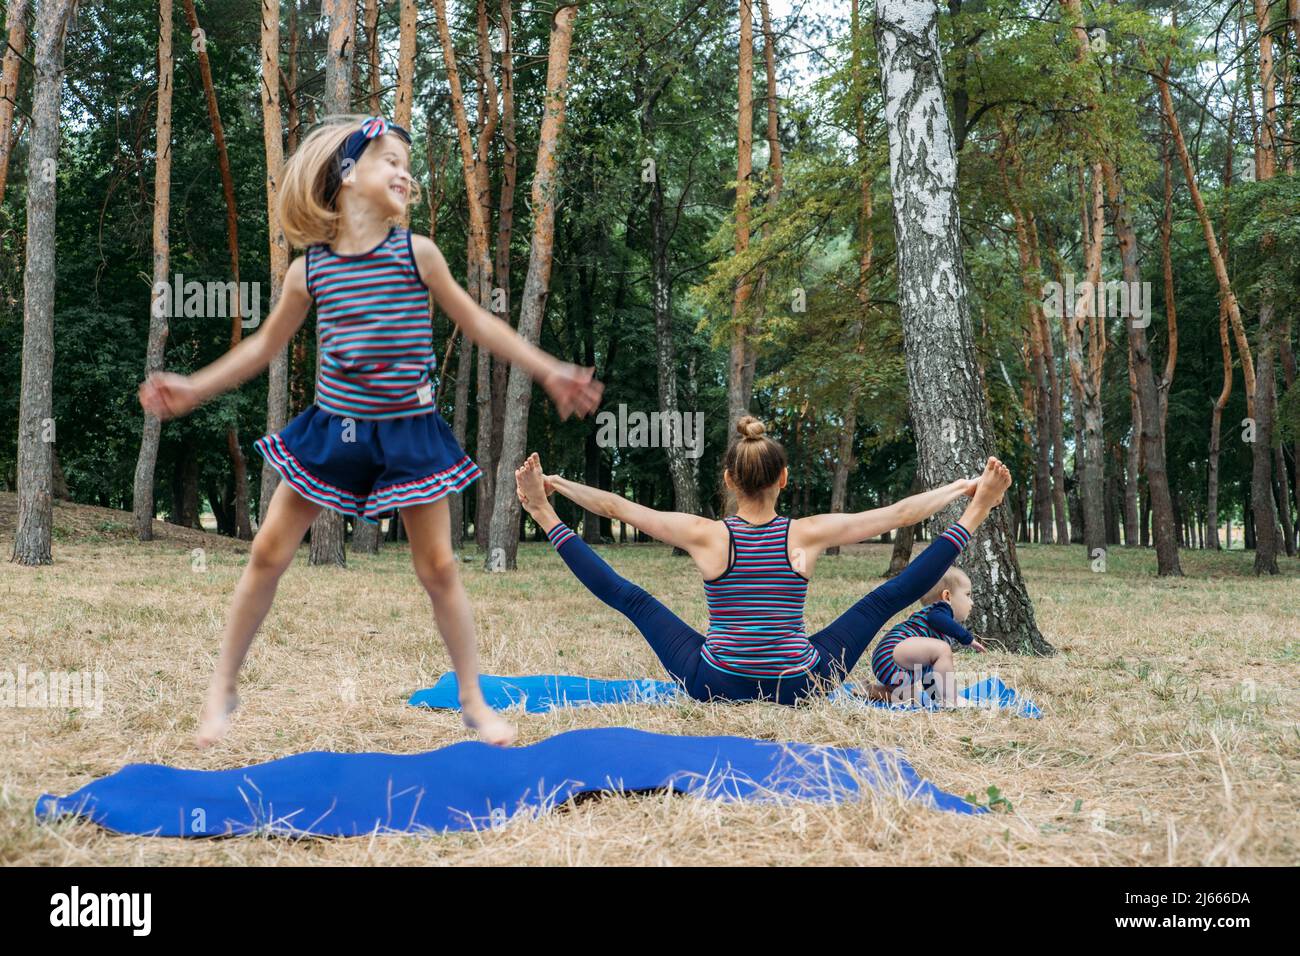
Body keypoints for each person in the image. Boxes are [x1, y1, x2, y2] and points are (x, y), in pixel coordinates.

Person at [138, 115, 603, 747]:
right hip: (333, 431)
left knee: (438, 566)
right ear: (347, 176)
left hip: (409, 435)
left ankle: (473, 698)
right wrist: (194, 386)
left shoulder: (418, 254)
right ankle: (223, 686)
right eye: (389, 159)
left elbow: (480, 324)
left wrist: (551, 371)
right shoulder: (311, 272)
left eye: (408, 163)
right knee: (267, 554)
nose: (404, 172)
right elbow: (263, 348)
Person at [512, 416, 1011, 705]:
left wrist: (552, 491)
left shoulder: (705, 535)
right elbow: (900, 513)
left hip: (715, 682)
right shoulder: (808, 533)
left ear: (729, 480)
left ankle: (542, 516)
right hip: (800, 683)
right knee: (887, 598)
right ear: (784, 479)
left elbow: (617, 507)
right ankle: (975, 515)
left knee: (633, 599)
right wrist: (967, 492)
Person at [868, 567, 987, 707]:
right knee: (942, 649)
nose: (972, 602)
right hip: (891, 653)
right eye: (968, 595)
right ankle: (952, 699)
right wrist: (967, 639)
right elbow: (936, 618)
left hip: (892, 667)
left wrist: (936, 696)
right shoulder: (940, 609)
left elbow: (930, 672)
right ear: (947, 596)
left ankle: (872, 691)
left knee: (910, 700)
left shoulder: (934, 637)